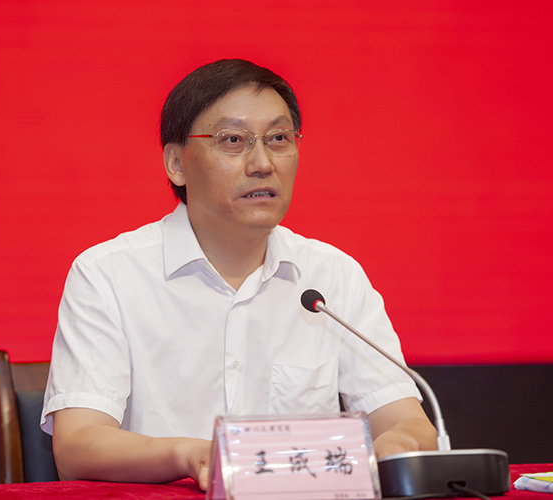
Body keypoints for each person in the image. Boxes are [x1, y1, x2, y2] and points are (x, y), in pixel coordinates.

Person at [40, 58, 437, 490]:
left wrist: (393, 448)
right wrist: (190, 456)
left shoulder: (333, 278)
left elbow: (407, 422)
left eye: (279, 139)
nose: (263, 163)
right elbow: (77, 446)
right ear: (176, 163)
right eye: (233, 140)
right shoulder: (108, 275)